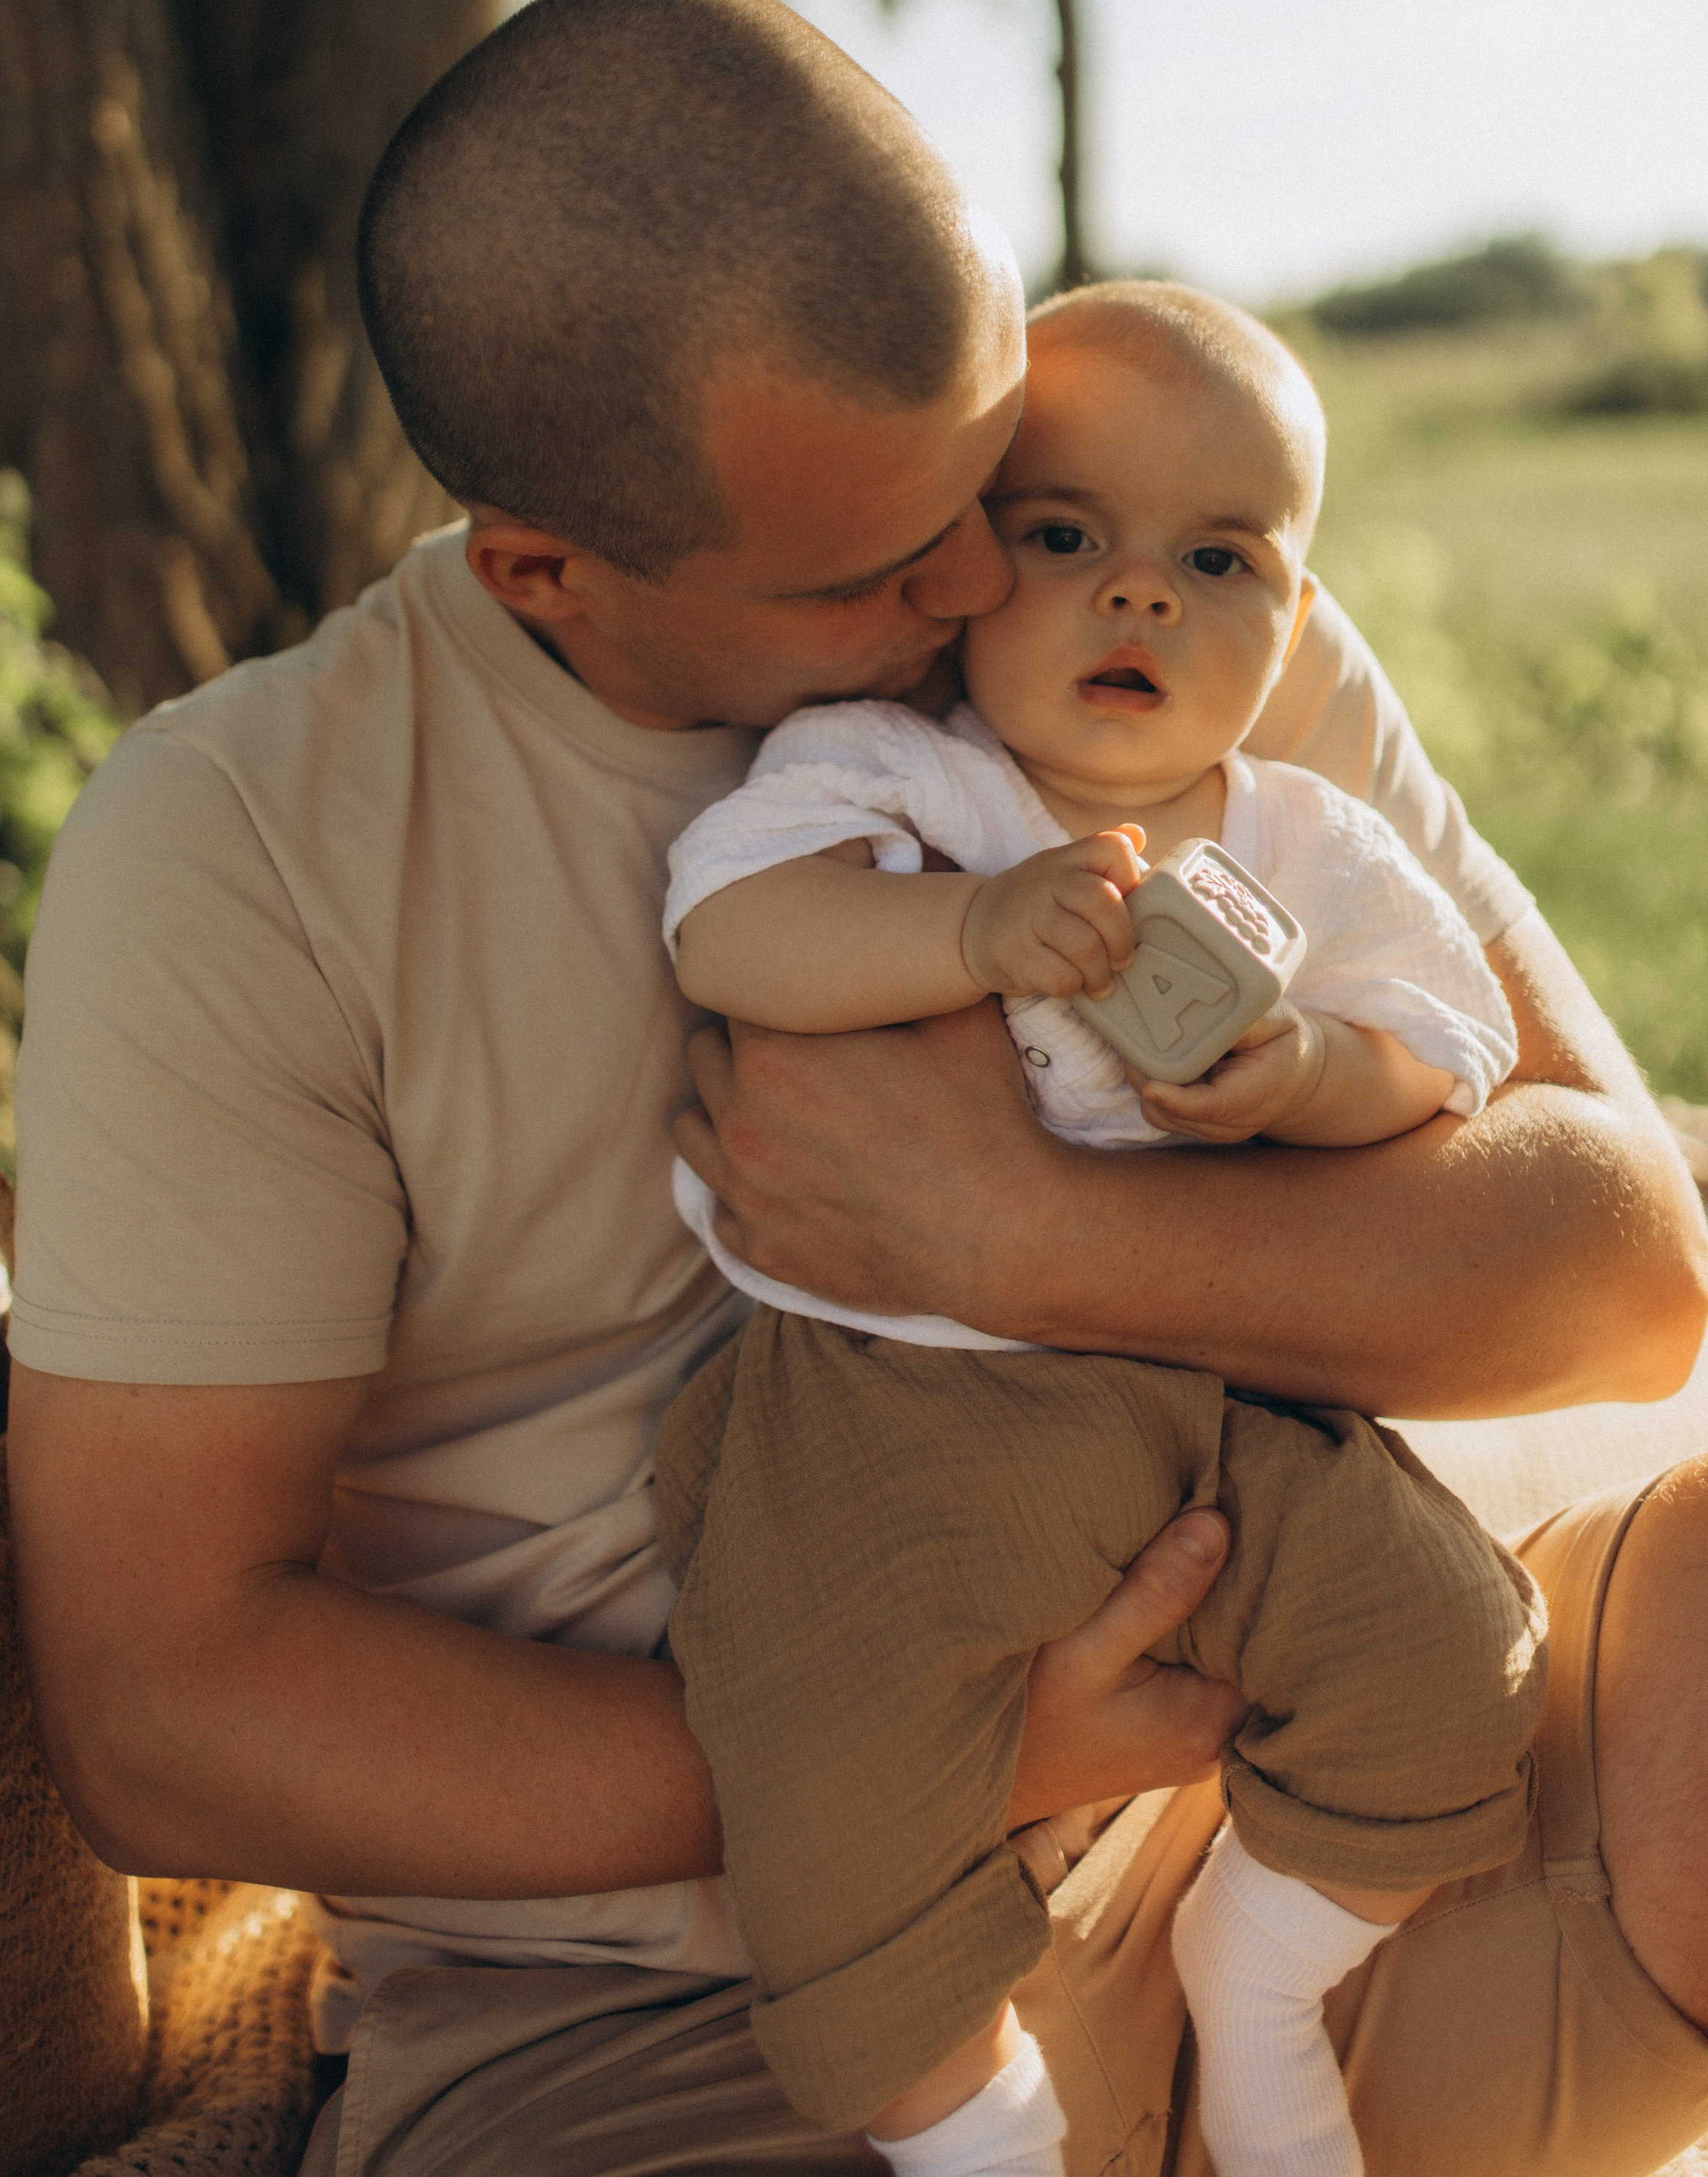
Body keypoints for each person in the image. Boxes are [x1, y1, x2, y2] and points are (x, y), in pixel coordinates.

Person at [2, 0, 1708, 2177]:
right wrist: (935, 1754)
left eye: (994, 466)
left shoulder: (1150, 595)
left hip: (1295, 1827)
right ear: (551, 571)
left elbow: (1631, 1273)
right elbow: (163, 1701)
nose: (1001, 570)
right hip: (681, 2024)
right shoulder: (254, 847)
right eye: (883, 560)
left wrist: (1042, 1233)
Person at [656, 281, 1545, 2177]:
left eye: (1212, 558)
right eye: (1066, 536)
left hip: (1219, 1396)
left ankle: (1263, 1958)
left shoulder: (1302, 841)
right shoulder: (902, 776)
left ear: (1287, 622)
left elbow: (1452, 1041)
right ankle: (962, 2116)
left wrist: (1305, 1069)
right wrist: (963, 930)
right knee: (821, 1774)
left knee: (1450, 1657)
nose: (1136, 595)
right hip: (900, 1411)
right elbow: (725, 928)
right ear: (966, 566)